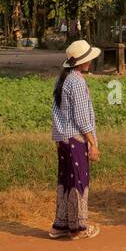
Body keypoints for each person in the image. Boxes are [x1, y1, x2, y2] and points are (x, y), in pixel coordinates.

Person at [51, 39, 102, 240]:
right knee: (79, 182)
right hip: (76, 139)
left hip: (62, 138)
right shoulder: (77, 81)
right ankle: (79, 228)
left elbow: (57, 111)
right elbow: (82, 118)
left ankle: (61, 225)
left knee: (66, 181)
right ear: (82, 62)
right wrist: (93, 143)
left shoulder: (62, 79)